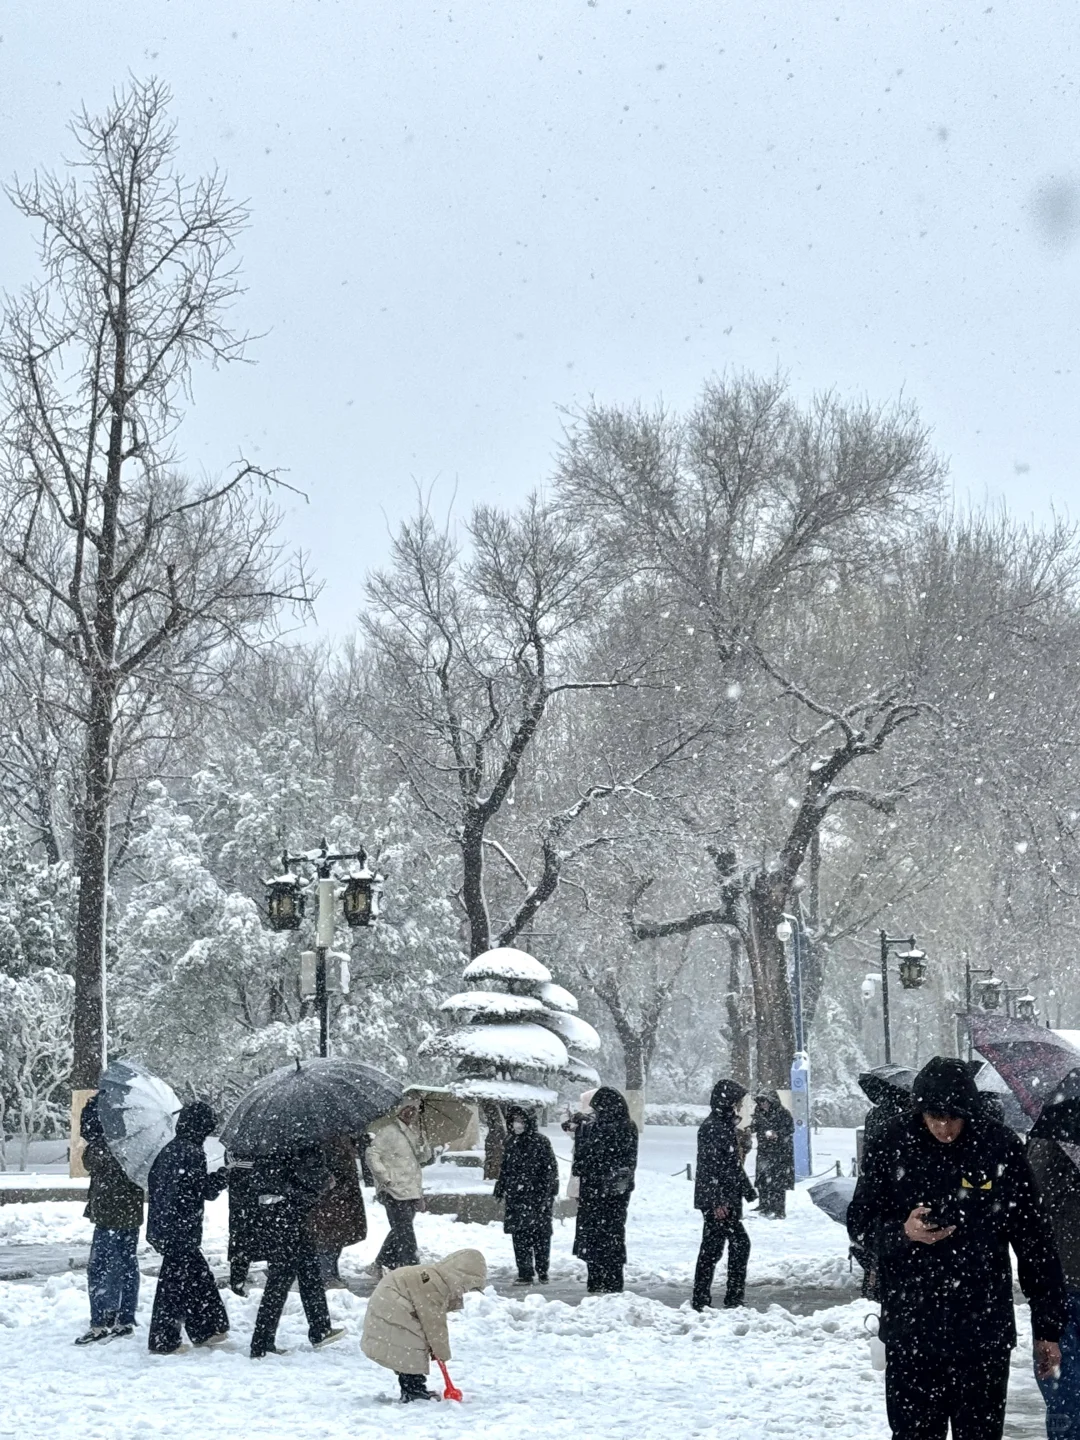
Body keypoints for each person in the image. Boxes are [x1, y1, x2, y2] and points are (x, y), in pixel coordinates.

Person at [848, 1055, 1066, 1440]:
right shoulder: (891, 1142)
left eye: (954, 1118)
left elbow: (1034, 1241)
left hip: (982, 1333)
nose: (944, 1128)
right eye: (935, 1117)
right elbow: (860, 1225)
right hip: (912, 1330)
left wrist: (1047, 1326)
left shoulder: (999, 1146)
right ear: (920, 1110)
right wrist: (903, 1232)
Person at [146, 1101, 231, 1355]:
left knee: (195, 1279)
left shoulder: (171, 1149)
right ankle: (165, 1340)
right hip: (181, 1230)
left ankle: (207, 1329)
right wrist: (224, 1175)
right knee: (175, 1287)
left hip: (167, 1227)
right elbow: (202, 1190)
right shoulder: (191, 1152)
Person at [248, 1145, 346, 1359]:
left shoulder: (267, 1143)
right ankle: (262, 1342)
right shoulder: (301, 1141)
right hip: (291, 1215)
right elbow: (307, 1174)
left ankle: (319, 1328)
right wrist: (323, 1182)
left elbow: (259, 1179)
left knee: (307, 1271)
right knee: (282, 1279)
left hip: (274, 1213)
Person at [361, 1248, 487, 1402]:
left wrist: (435, 1347)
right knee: (410, 1347)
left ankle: (414, 1388)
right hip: (394, 1311)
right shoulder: (434, 1286)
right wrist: (441, 1352)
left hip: (391, 1307)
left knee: (408, 1348)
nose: (466, 1291)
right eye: (469, 1287)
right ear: (463, 1277)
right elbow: (434, 1324)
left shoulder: (436, 1277)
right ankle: (413, 1391)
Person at [75, 1094, 145, 1345]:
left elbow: (89, 1161)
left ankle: (100, 1322)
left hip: (109, 1215)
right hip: (130, 1213)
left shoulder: (104, 1146)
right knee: (127, 1264)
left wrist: (94, 1141)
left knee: (100, 1267)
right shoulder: (134, 1142)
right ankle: (124, 1318)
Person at [1028, 1116, 1080, 1438]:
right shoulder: (1051, 1137)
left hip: (1063, 1278)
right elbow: (1031, 1201)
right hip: (1062, 1283)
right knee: (1064, 1389)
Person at [692, 1079, 756, 1311]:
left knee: (714, 1248)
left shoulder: (723, 1125)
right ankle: (727, 1298)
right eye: (738, 1101)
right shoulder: (715, 1127)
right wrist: (718, 1201)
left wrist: (747, 1191)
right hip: (720, 1199)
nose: (740, 1105)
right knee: (734, 1245)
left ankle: (705, 1297)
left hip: (723, 1197)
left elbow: (731, 1164)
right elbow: (711, 1167)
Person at [571, 1086, 638, 1295]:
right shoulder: (624, 1126)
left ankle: (601, 1278)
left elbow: (584, 1160)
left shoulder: (606, 1129)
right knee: (609, 1236)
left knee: (600, 1237)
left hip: (601, 1192)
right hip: (609, 1193)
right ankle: (608, 1279)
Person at [493, 1106, 559, 1285]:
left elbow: (550, 1170)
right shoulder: (510, 1141)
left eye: (521, 1121)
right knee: (519, 1235)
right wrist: (501, 1185)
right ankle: (525, 1272)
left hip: (537, 1197)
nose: (517, 1125)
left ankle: (542, 1270)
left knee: (540, 1235)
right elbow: (506, 1167)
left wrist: (546, 1193)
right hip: (516, 1197)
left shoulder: (541, 1142)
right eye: (515, 1121)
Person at [367, 1104, 432, 1276]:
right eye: (406, 1109)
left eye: (414, 1110)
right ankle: (411, 1267)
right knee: (405, 1231)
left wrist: (424, 1144)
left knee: (401, 1229)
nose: (410, 1113)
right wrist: (385, 1177)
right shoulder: (388, 1132)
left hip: (411, 1189)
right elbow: (372, 1155)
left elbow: (422, 1158)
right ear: (398, 1111)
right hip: (393, 1190)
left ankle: (382, 1262)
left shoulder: (415, 1132)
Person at [309, 1134, 367, 1287]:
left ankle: (331, 1273)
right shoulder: (322, 1137)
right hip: (331, 1196)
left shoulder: (341, 1135)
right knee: (328, 1238)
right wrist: (329, 1177)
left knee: (336, 1237)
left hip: (344, 1195)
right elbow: (323, 1162)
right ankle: (326, 1276)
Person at [752, 1092, 794, 1220]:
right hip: (764, 1150)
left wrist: (778, 1134)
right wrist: (751, 1128)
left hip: (780, 1152)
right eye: (760, 1103)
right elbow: (756, 1126)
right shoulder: (759, 1113)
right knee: (763, 1178)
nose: (762, 1105)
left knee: (778, 1181)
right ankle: (765, 1204)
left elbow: (790, 1128)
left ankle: (779, 1209)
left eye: (764, 1102)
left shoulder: (783, 1113)